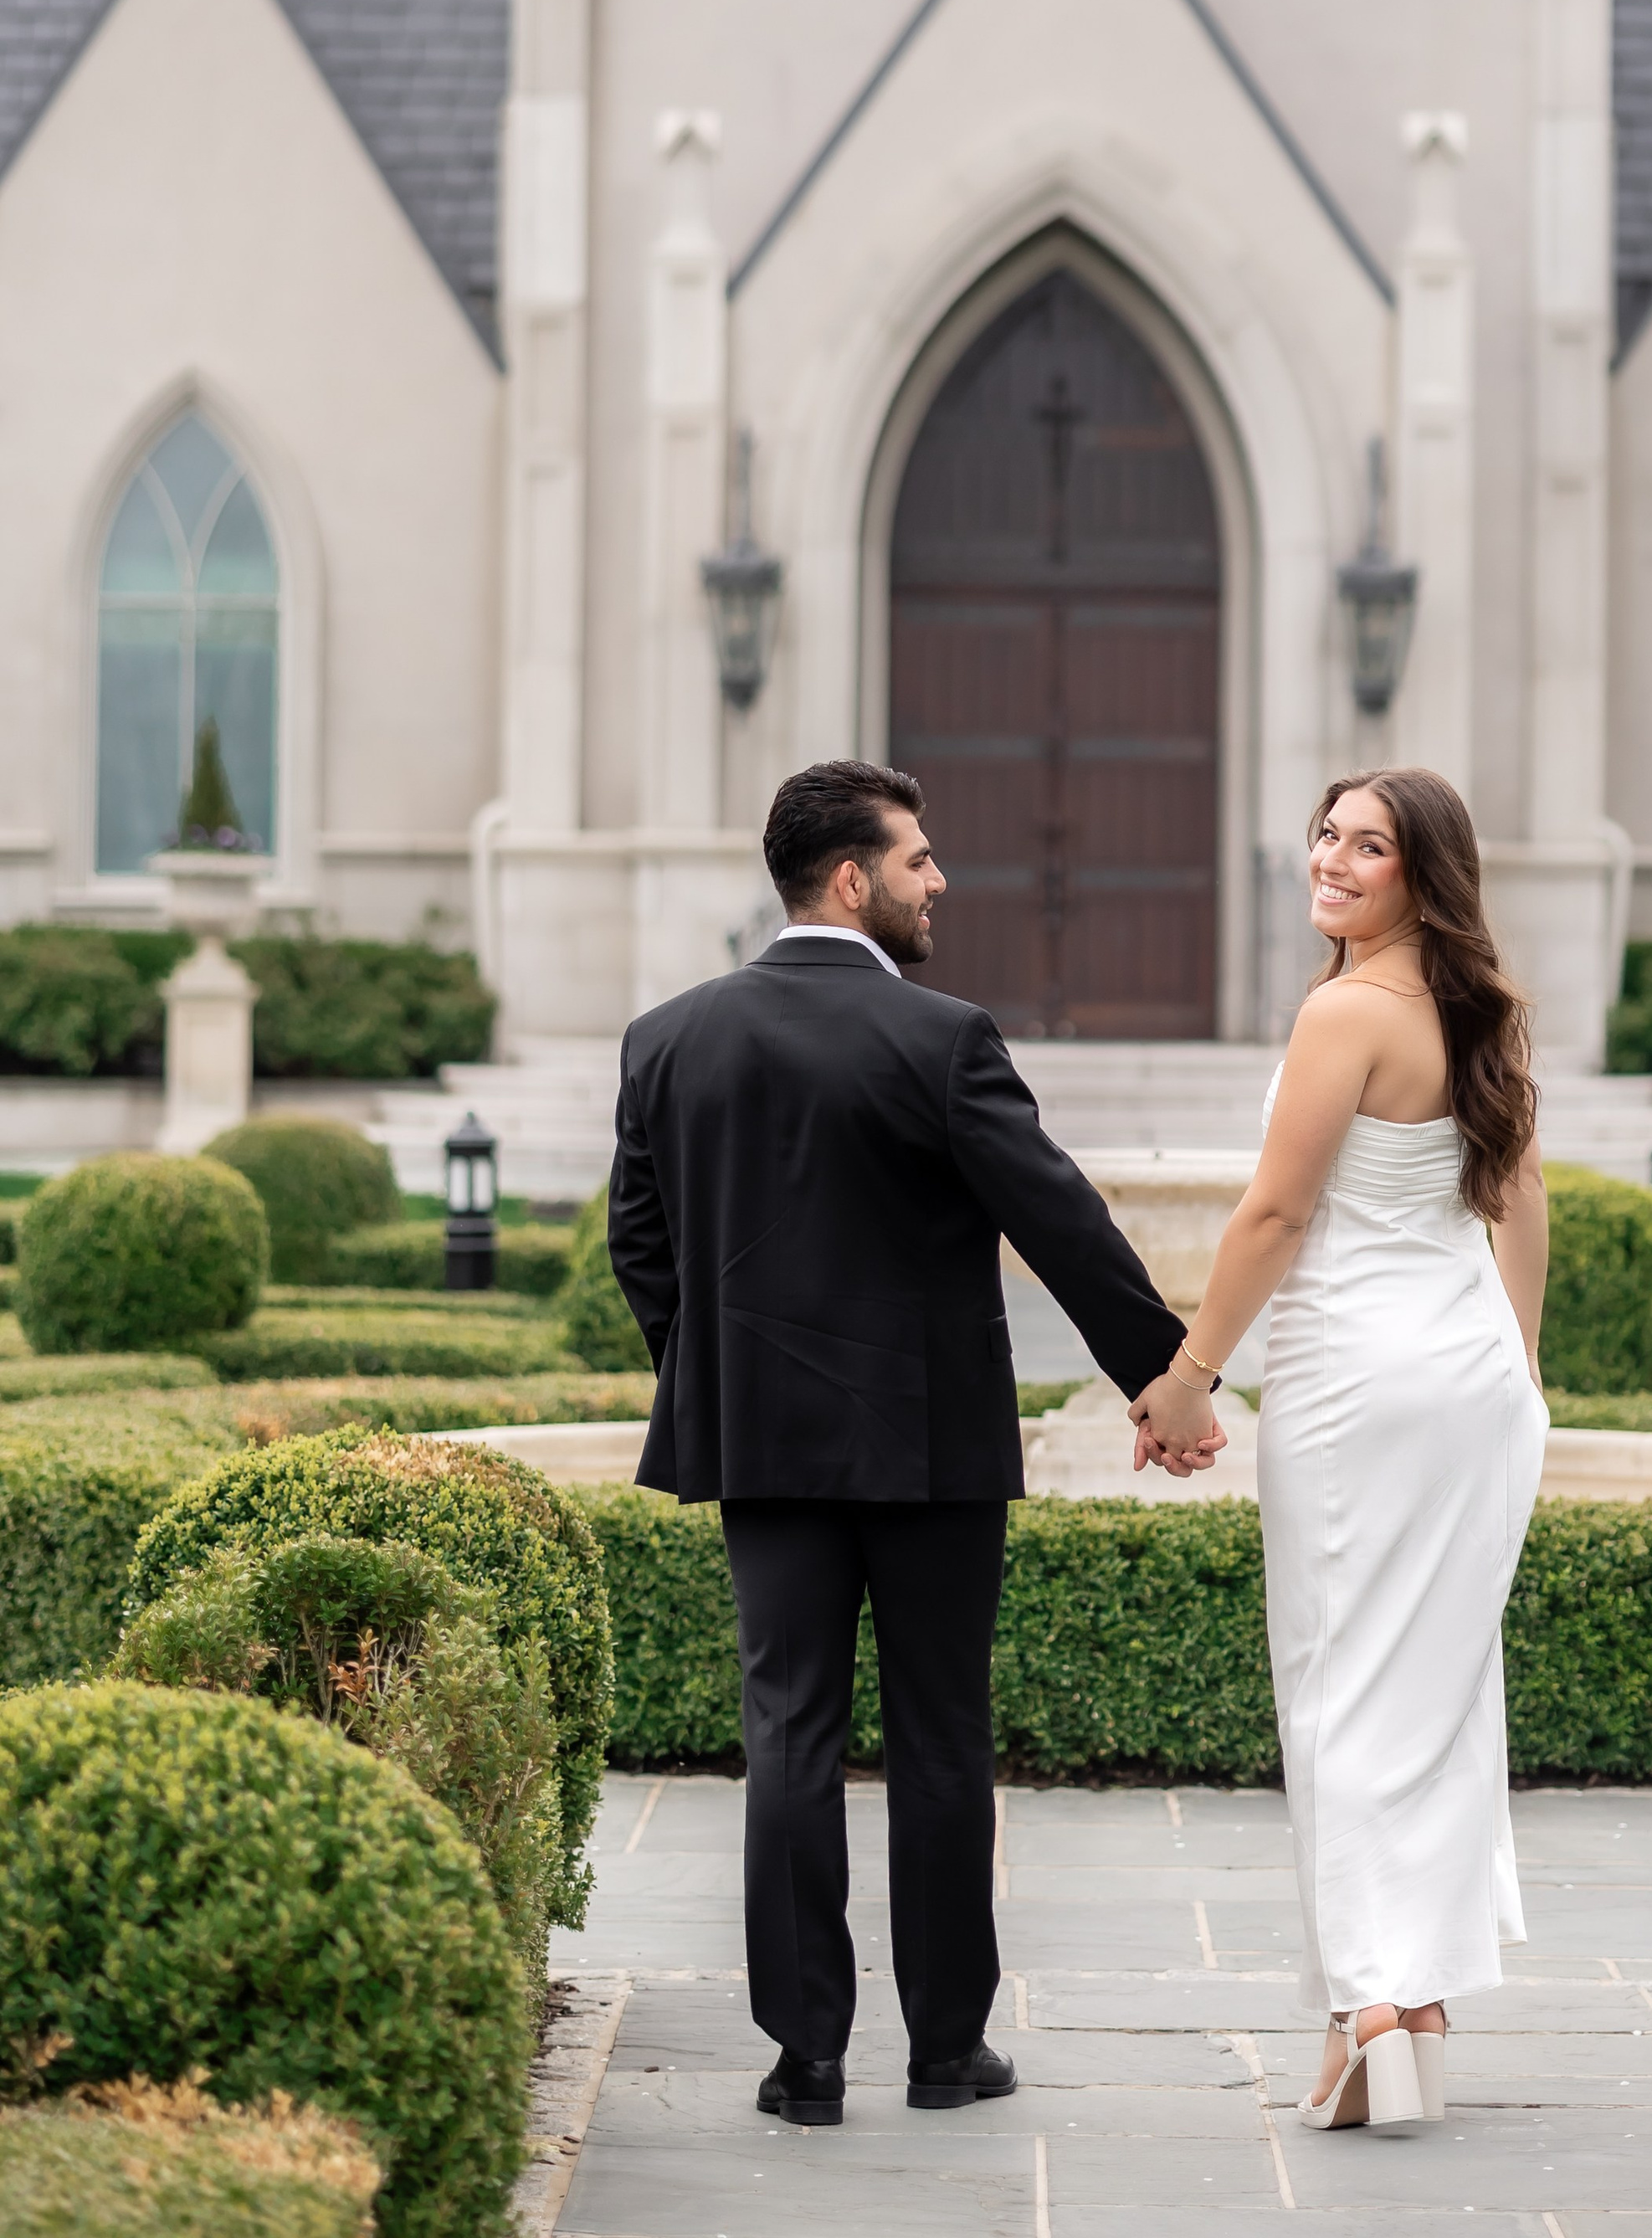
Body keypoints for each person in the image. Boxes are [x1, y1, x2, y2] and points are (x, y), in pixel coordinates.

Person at [606, 758, 1220, 2132]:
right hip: (933, 1449)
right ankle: (947, 2047)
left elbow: (639, 1250)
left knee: (788, 1738)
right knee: (943, 1739)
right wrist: (1166, 1377)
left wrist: (722, 1377)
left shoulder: (666, 1039)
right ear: (850, 878)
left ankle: (804, 2058)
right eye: (920, 858)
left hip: (760, 1447)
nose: (940, 879)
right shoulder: (943, 1040)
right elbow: (1058, 1219)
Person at [1159, 768, 1550, 2135]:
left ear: (1420, 874)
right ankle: (1421, 2005)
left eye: (1366, 844)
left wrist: (1191, 1372)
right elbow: (1519, 1202)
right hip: (1473, 1384)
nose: (1332, 858)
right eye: (1327, 833)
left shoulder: (1350, 1010)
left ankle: (1373, 1999)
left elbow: (1275, 1212)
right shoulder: (1472, 1011)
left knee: (1343, 1693)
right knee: (1438, 1698)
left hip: (1358, 1389)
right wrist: (1520, 1370)